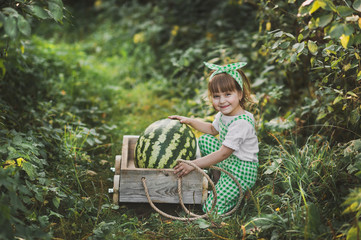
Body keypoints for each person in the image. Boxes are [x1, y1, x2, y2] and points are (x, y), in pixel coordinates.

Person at [169, 61, 259, 214]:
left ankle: (235, 193)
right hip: (229, 162)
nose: (222, 101)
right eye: (216, 96)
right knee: (204, 140)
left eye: (227, 94)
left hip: (240, 172)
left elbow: (223, 153)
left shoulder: (241, 123)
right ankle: (218, 181)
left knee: (210, 209)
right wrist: (190, 121)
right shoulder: (225, 114)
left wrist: (193, 164)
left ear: (240, 94)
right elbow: (211, 129)